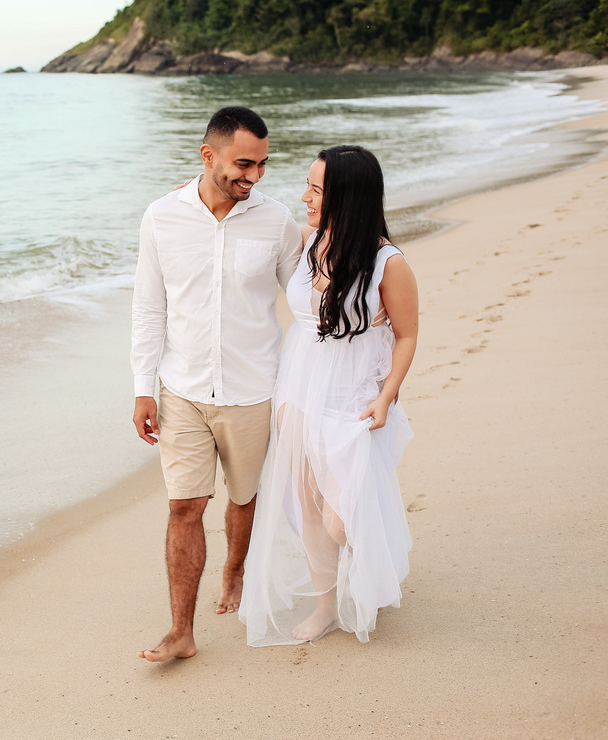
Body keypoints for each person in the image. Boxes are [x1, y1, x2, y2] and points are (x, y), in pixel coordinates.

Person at [131, 107, 302, 662]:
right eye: (242, 164)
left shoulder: (275, 222)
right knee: (185, 505)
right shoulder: (161, 217)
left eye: (262, 165)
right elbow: (148, 308)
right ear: (209, 156)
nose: (253, 176)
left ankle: (235, 568)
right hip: (181, 389)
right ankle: (181, 629)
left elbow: (304, 300)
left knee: (243, 499)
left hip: (254, 390)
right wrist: (142, 387)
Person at [238, 145, 419, 646]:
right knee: (309, 505)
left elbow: (406, 334)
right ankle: (326, 607)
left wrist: (387, 396)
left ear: (348, 196)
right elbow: (250, 218)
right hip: (297, 391)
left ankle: (369, 570)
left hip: (356, 396)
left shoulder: (388, 263)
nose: (306, 197)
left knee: (343, 519)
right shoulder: (307, 241)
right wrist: (191, 195)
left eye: (317, 190)